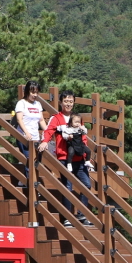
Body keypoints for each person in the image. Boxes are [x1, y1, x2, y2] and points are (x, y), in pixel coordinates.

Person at [39, 90, 91, 226]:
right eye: (66, 101)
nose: (68, 104)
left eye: (71, 101)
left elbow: (83, 138)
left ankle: (82, 215)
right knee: (67, 187)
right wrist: (45, 141)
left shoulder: (78, 118)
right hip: (64, 158)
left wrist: (86, 156)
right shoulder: (56, 118)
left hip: (79, 159)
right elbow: (49, 131)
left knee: (87, 184)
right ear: (61, 102)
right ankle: (67, 217)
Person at [14, 80, 47, 180]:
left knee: (37, 161)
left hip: (36, 137)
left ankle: (26, 181)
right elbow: (19, 119)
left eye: (37, 92)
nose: (35, 95)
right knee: (30, 159)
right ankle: (30, 185)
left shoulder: (38, 104)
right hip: (24, 137)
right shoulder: (21, 103)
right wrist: (26, 133)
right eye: (33, 92)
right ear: (27, 91)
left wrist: (47, 132)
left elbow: (41, 120)